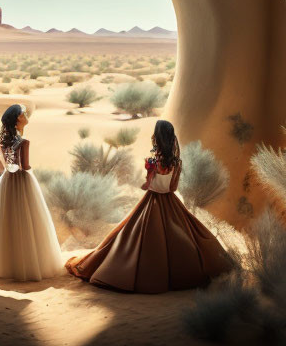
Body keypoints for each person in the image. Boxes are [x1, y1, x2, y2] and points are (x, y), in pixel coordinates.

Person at [65, 119, 231, 293]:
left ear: (157, 137)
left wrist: (149, 175)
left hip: (152, 201)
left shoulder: (153, 161)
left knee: (131, 235)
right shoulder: (176, 162)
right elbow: (173, 188)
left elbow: (147, 186)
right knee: (187, 234)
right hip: (170, 202)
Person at [0, 104, 64, 281]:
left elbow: (0, 166)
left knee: (5, 221)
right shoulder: (23, 142)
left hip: (5, 182)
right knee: (26, 220)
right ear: (18, 119)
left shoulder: (0, 143)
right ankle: (27, 266)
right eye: (23, 113)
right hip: (22, 181)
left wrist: (9, 173)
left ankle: (4, 266)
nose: (26, 115)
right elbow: (25, 166)